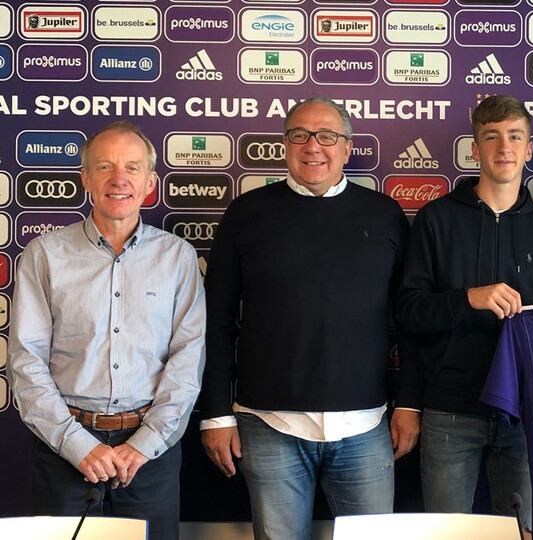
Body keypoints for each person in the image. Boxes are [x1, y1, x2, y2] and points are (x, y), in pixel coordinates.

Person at [199, 98, 408, 540]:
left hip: (366, 425)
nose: (313, 146)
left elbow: (409, 318)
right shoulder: (246, 213)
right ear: (285, 145)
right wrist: (215, 414)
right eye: (300, 135)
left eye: (327, 136)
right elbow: (216, 321)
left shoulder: (385, 214)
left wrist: (409, 403)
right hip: (268, 423)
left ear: (347, 148)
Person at [8, 121, 206, 540]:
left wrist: (143, 444)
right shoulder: (45, 254)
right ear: (86, 179)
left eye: (132, 168)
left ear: (150, 182)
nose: (119, 179)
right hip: (63, 451)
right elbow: (26, 360)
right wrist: (79, 446)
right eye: (105, 167)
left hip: (150, 455)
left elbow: (187, 361)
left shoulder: (177, 257)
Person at [391, 95, 533, 534]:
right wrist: (467, 299)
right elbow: (408, 312)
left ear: (529, 149)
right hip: (450, 412)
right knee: (447, 532)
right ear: (475, 149)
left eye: (514, 137)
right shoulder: (436, 219)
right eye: (491, 137)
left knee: (523, 531)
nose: (504, 148)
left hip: (522, 412)